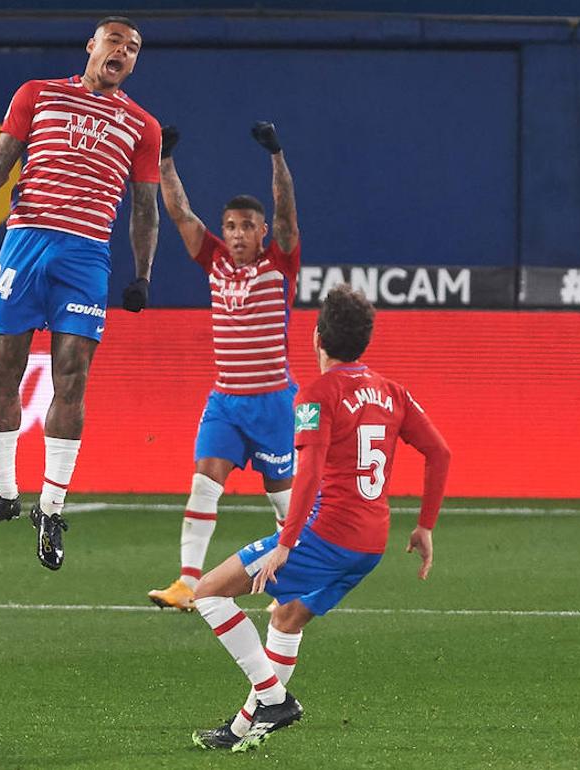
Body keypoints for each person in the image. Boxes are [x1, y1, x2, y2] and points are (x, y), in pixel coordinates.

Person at [0, 16, 161, 570]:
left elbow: (143, 208)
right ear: (92, 46)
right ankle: (3, 492)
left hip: (85, 255)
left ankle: (52, 508)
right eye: (115, 41)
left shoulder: (142, 125)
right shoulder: (37, 95)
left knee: (72, 376)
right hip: (26, 242)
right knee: (4, 368)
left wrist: (143, 275)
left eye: (133, 49)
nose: (123, 52)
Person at [189, 284, 451, 752]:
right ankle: (245, 727)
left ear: (316, 339)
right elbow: (439, 451)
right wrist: (425, 525)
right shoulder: (393, 393)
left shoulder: (316, 394)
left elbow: (307, 473)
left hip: (326, 536)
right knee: (287, 619)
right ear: (364, 340)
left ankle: (273, 699)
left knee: (207, 593)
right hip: (370, 544)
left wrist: (286, 544)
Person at [148, 122, 300, 612]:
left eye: (245, 227)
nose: (235, 235)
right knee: (203, 481)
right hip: (226, 402)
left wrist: (276, 155)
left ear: (262, 232)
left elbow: (287, 210)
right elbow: (179, 213)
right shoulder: (213, 260)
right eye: (230, 226)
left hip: (273, 402)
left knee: (284, 502)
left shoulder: (280, 261)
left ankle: (296, 577)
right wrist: (165, 160)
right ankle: (187, 583)